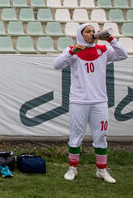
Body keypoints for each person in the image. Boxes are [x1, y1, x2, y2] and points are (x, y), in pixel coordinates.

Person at [53, 23, 128, 183]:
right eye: (88, 31)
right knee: (76, 136)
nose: (92, 33)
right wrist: (72, 52)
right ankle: (72, 169)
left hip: (100, 101)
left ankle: (101, 170)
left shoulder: (104, 50)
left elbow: (123, 55)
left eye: (94, 31)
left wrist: (111, 40)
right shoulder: (72, 50)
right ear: (81, 34)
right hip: (79, 101)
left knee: (100, 136)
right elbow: (56, 65)